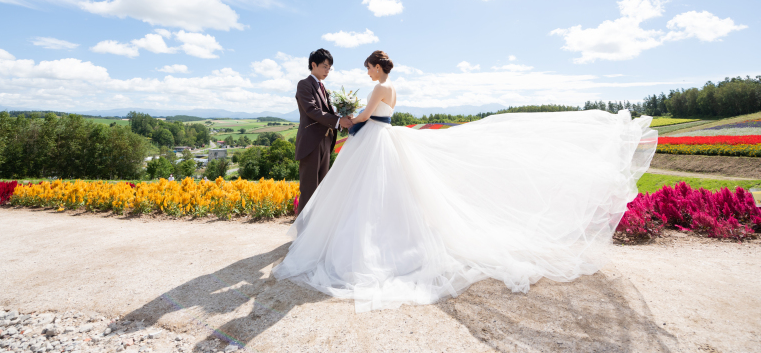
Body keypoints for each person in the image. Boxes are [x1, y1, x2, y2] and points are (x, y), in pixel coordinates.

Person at [273, 50, 658, 313]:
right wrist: (347, 118)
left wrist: (347, 119)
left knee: (367, 194)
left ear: (378, 67)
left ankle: (352, 245)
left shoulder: (377, 89)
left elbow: (364, 118)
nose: (367, 72)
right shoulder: (392, 87)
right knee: (387, 195)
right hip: (384, 138)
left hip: (374, 140)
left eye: (368, 67)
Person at [293, 48, 353, 215]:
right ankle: (303, 233)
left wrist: (345, 120)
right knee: (309, 188)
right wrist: (337, 121)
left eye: (329, 68)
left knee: (321, 188)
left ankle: (314, 232)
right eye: (325, 66)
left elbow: (330, 113)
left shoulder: (323, 87)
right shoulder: (304, 84)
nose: (328, 71)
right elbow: (312, 110)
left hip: (326, 142)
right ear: (313, 64)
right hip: (311, 144)